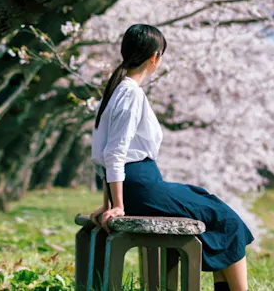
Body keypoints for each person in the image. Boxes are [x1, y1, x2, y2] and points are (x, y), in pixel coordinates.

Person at [90, 24, 253, 291]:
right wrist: (117, 206)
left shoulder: (113, 92)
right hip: (143, 188)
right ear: (154, 57)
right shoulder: (130, 93)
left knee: (207, 202)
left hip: (138, 187)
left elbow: (102, 156)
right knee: (228, 221)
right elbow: (114, 153)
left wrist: (109, 201)